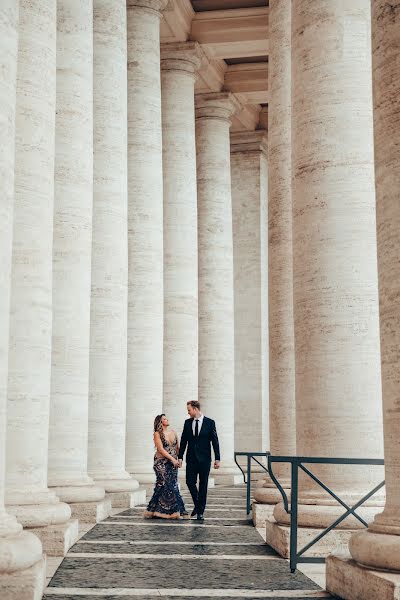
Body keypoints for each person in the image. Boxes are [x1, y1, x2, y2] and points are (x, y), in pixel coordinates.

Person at [178, 400, 220, 522]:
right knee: (190, 482)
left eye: (189, 410)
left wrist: (217, 458)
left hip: (205, 460)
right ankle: (198, 505)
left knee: (203, 485)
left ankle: (200, 512)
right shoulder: (187, 423)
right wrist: (180, 457)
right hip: (191, 459)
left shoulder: (210, 423)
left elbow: (215, 441)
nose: (188, 412)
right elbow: (183, 441)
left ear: (196, 409)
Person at [144, 414, 188, 519]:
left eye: (167, 418)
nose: (167, 420)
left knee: (171, 485)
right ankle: (174, 512)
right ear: (160, 422)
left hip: (173, 463)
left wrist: (180, 459)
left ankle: (156, 510)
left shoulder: (173, 432)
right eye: (164, 419)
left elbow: (178, 448)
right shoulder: (157, 434)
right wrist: (172, 459)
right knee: (164, 483)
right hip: (161, 462)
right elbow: (161, 449)